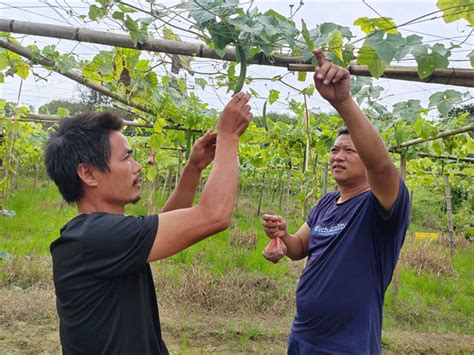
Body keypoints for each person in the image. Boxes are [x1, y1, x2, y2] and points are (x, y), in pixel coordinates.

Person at [44, 92, 252, 354]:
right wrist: (229, 137)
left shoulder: (95, 234)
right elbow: (214, 215)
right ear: (87, 173)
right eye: (126, 158)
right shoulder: (96, 237)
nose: (137, 166)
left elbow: (164, 224)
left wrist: (194, 168)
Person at [262, 49, 411, 354]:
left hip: (347, 345)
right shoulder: (327, 203)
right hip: (303, 335)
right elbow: (299, 248)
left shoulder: (381, 207)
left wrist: (342, 102)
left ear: (365, 160)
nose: (338, 156)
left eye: (349, 151)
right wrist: (282, 237)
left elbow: (382, 166)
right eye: (334, 150)